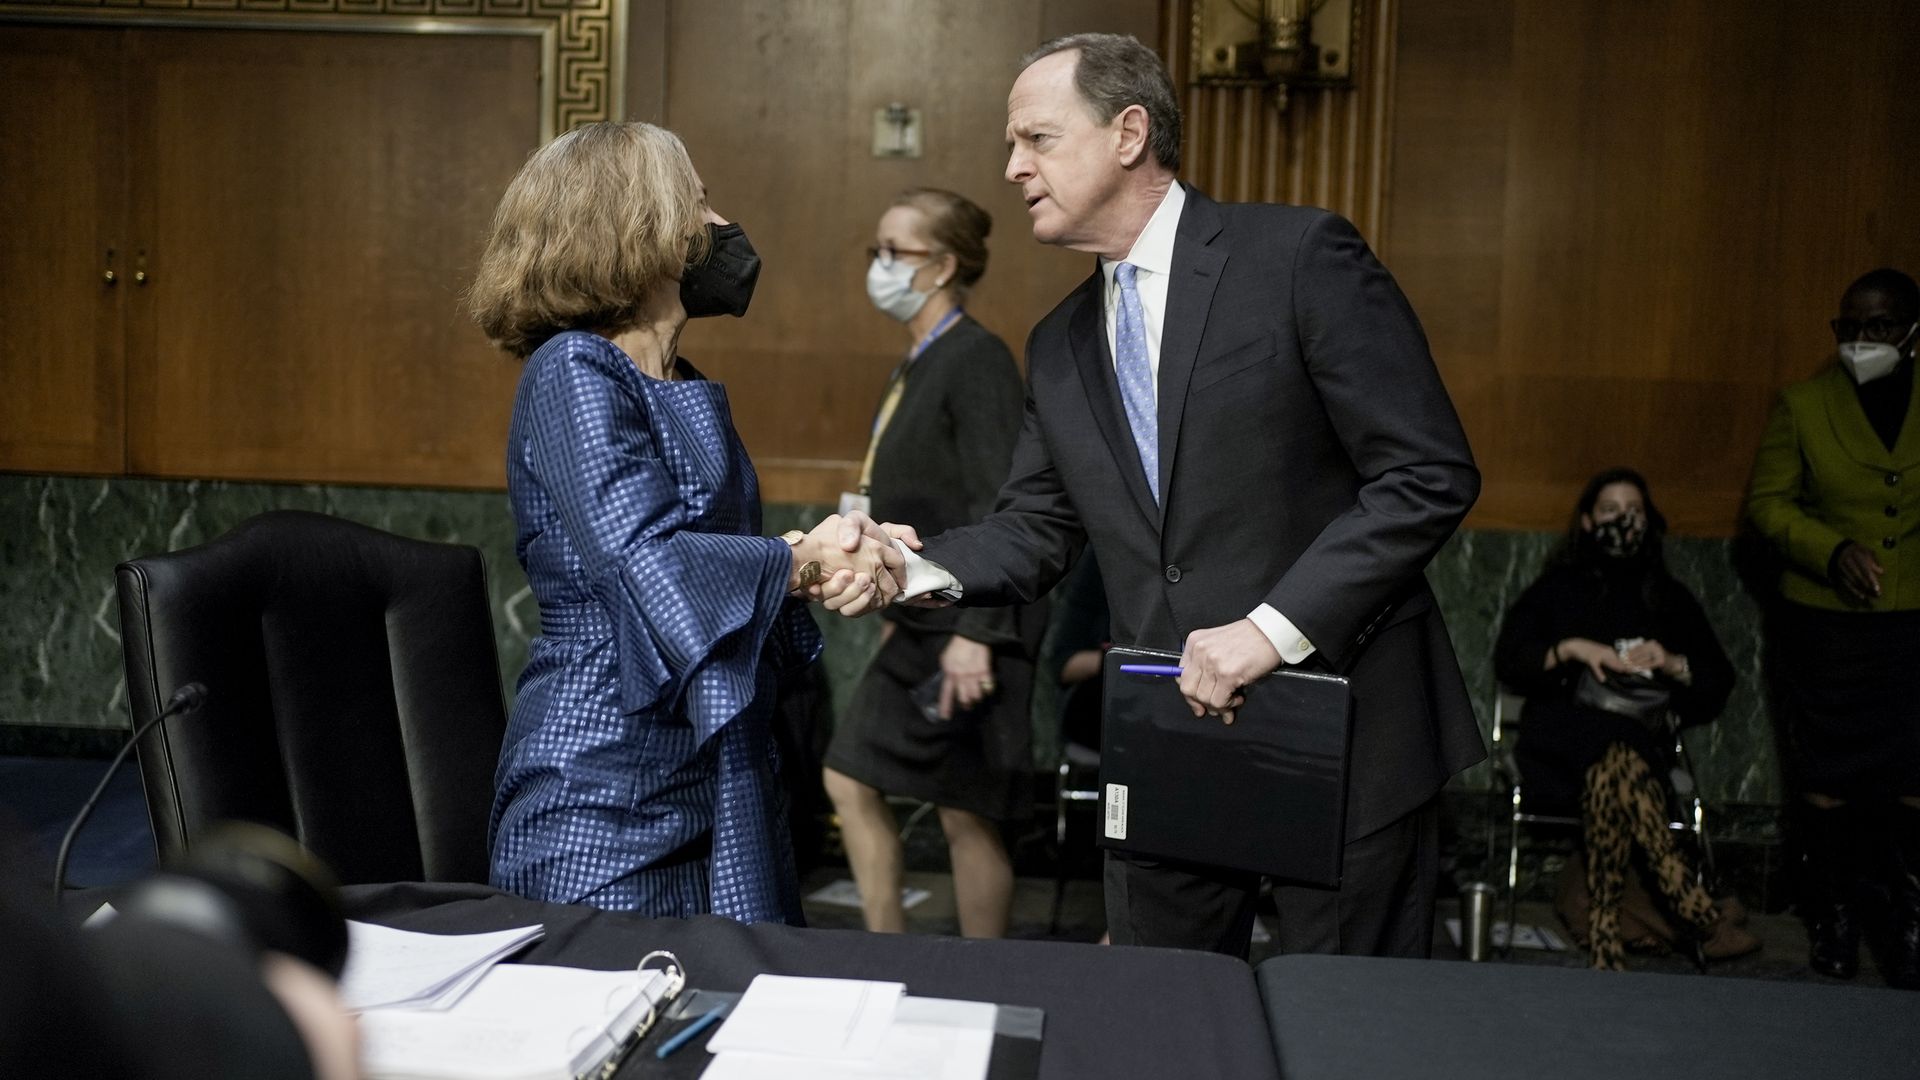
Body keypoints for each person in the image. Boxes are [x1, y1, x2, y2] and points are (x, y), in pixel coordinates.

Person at [865, 33, 1485, 959]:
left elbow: (1426, 474)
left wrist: (1268, 630)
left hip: (1349, 728)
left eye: (1035, 138)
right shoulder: (1060, 342)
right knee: (1162, 1019)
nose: (1012, 167)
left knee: (1347, 1031)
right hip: (1170, 738)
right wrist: (909, 567)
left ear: (1128, 132)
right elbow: (1035, 529)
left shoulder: (1297, 256)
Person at [468, 121, 902, 922]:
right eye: (699, 202)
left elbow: (728, 563)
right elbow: (652, 567)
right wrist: (804, 555)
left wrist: (850, 554)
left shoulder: (681, 380)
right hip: (607, 784)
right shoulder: (572, 368)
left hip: (713, 767)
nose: (718, 225)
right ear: (642, 227)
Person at [821, 189, 1041, 938]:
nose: (879, 266)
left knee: (967, 814)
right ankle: (887, 954)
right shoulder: (920, 359)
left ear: (943, 265)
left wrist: (979, 632)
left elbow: (1003, 506)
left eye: (896, 252)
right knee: (850, 777)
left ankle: (983, 977)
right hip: (919, 620)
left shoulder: (976, 359)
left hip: (972, 622)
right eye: (875, 250)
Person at [1494, 468, 1758, 970]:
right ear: (1589, 522)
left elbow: (1717, 681)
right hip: (1560, 740)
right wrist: (1575, 649)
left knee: (1615, 759)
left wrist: (1669, 661)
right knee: (1616, 750)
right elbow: (1511, 660)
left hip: (1633, 750)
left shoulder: (1669, 597)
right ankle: (1678, 887)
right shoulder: (1557, 588)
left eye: (1634, 512)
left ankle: (1605, 928)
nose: (1624, 522)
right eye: (1611, 511)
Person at [1746, 267, 1920, 988]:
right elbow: (1768, 504)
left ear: (1911, 333)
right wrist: (1831, 550)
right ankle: (1834, 919)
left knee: (1910, 776)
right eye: (1847, 326)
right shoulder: (1803, 405)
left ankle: (1908, 921)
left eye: (1876, 326)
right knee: (1826, 780)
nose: (1859, 340)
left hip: (1910, 627)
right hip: (1825, 629)